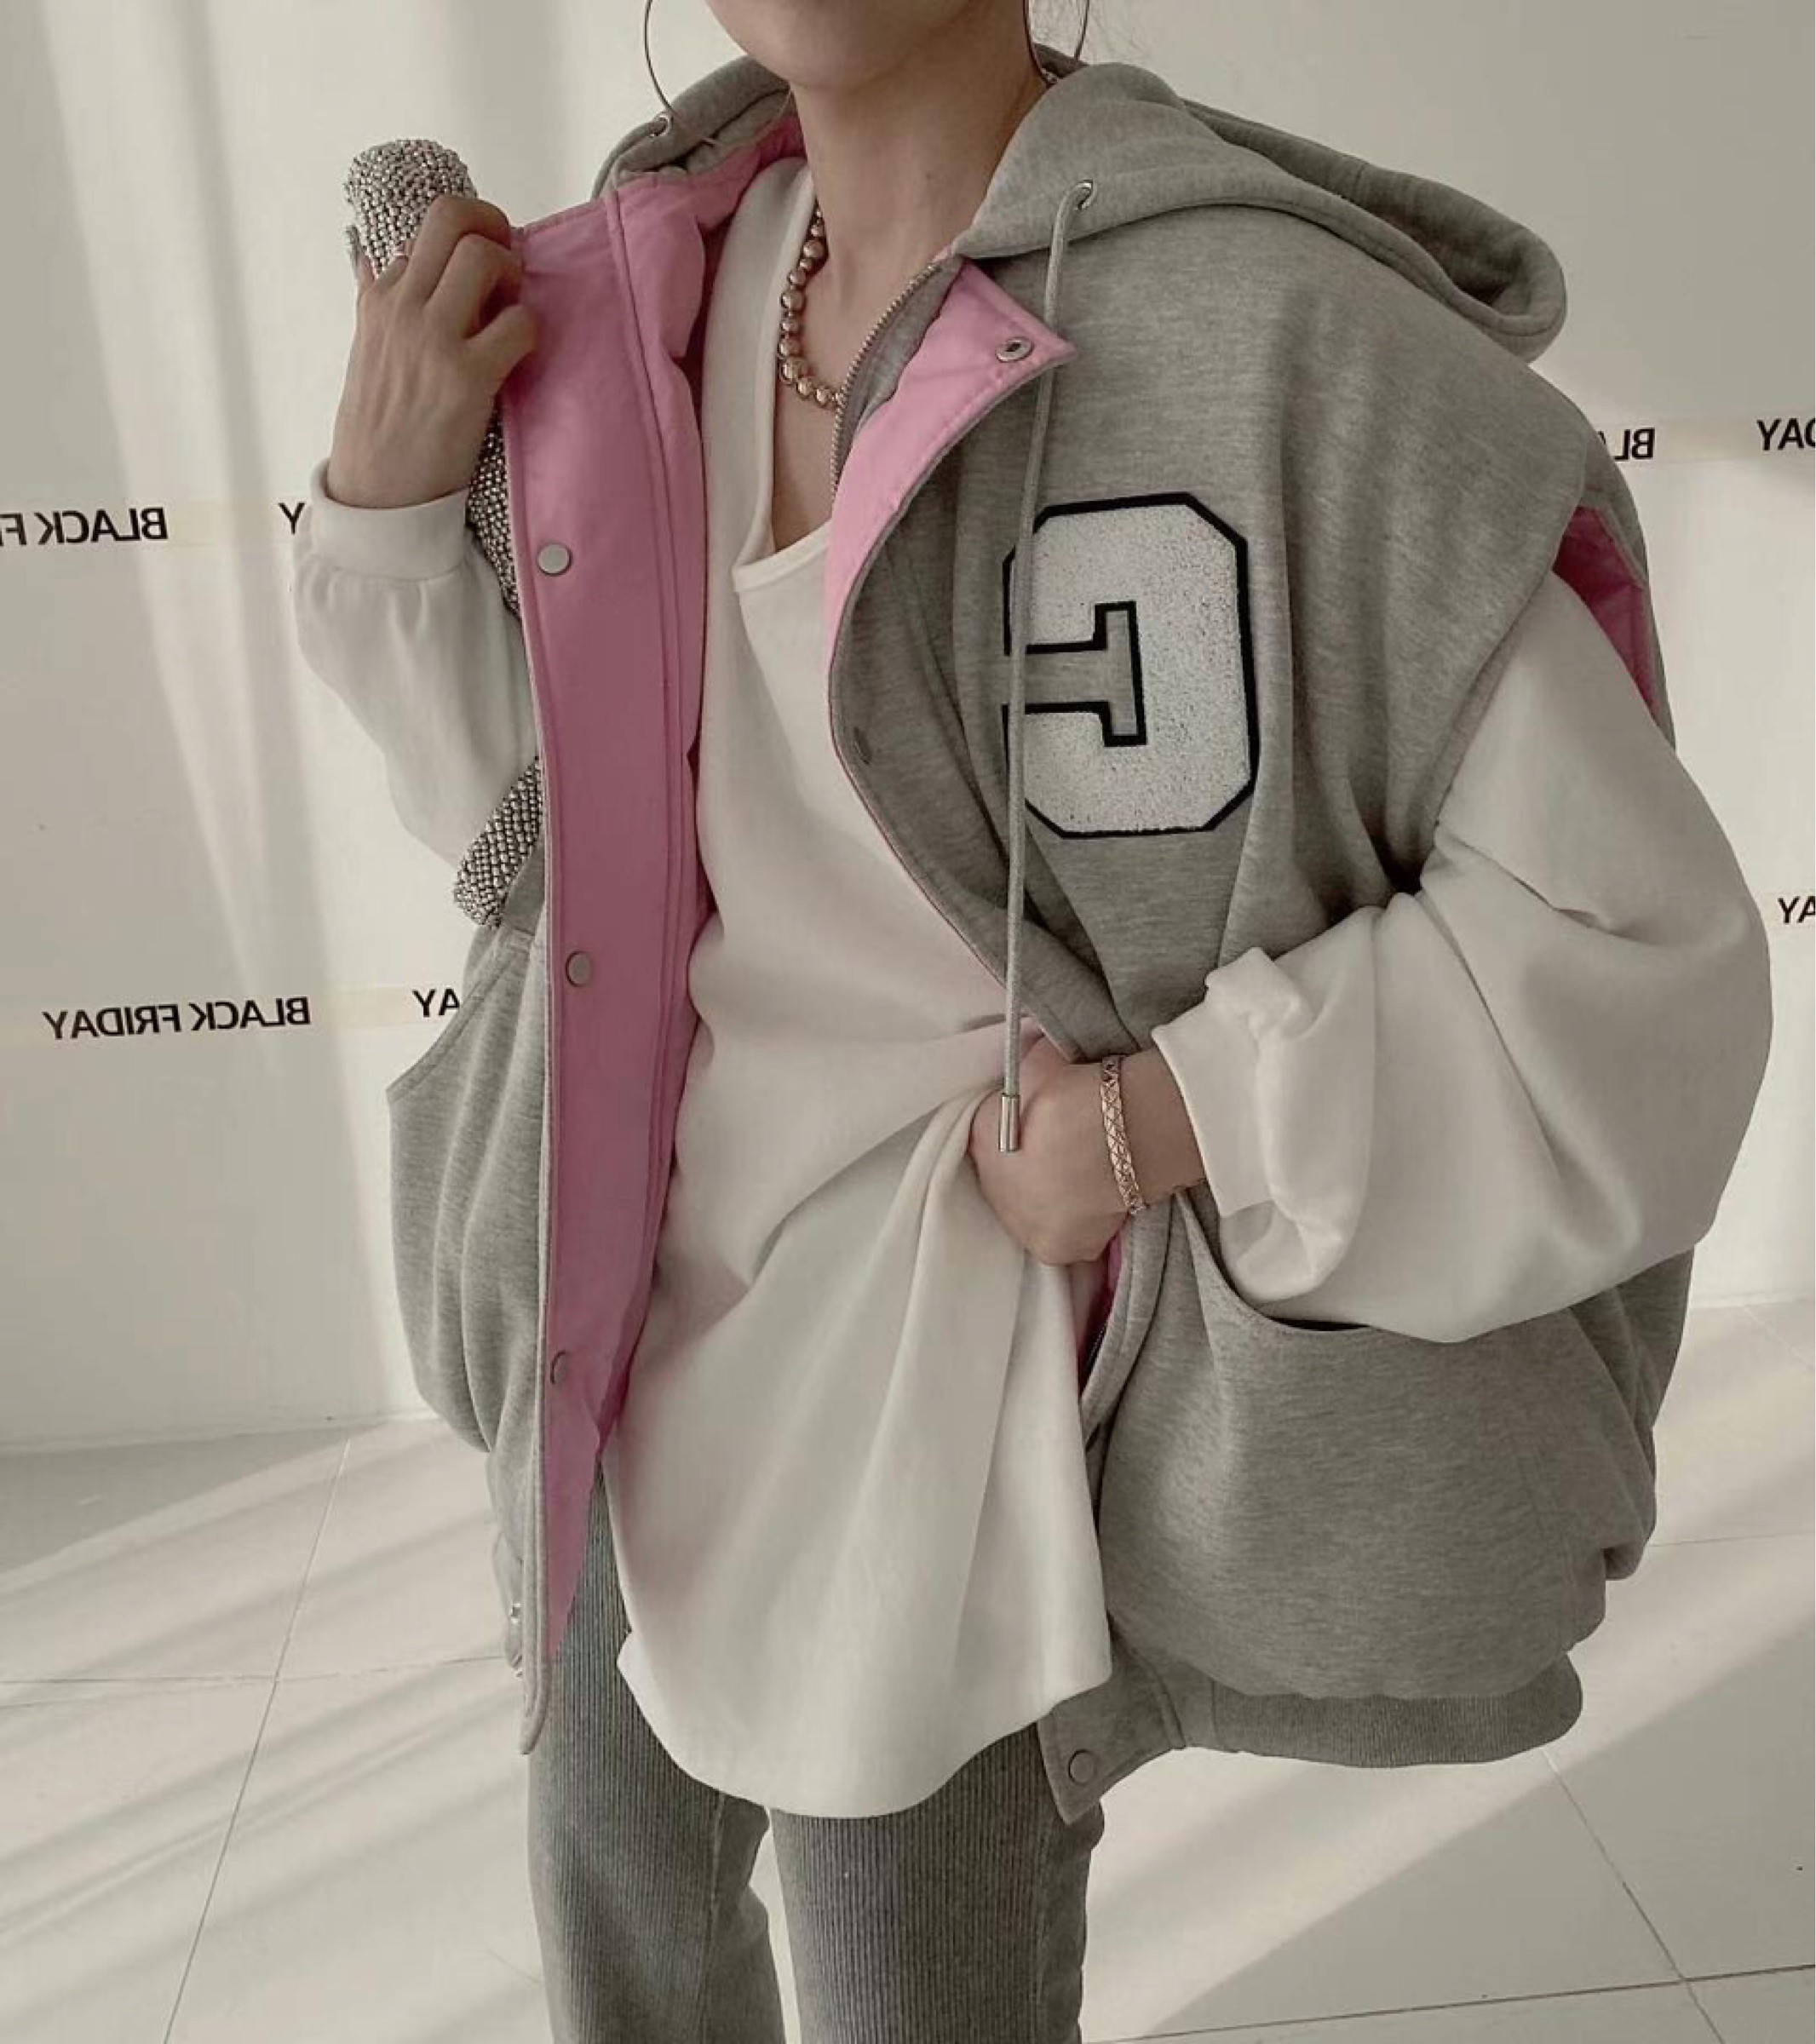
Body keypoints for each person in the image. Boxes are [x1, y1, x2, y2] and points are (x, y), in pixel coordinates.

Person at [290, 2, 1773, 2038]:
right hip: (617, 1322)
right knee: (617, 1929)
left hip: (942, 1388)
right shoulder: (633, 309)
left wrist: (1180, 1117)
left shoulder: (1273, 345)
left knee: (907, 1987)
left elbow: (1635, 952)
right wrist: (383, 514)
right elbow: (532, 860)